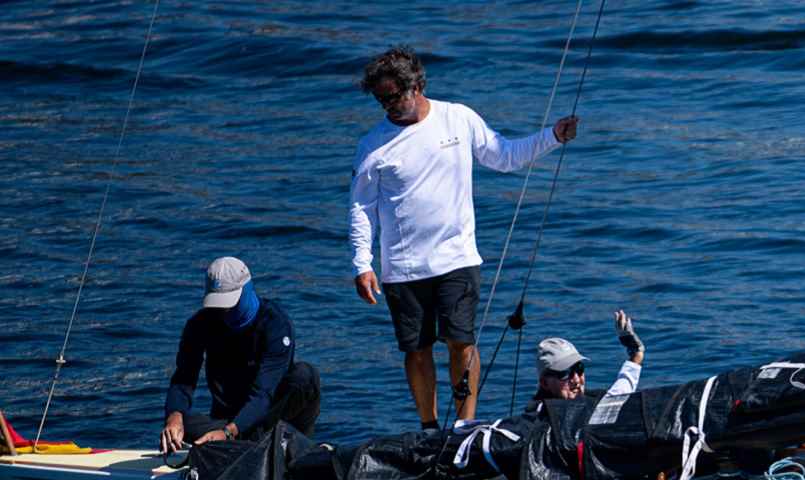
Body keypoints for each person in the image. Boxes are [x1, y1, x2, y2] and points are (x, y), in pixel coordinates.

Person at [349, 46, 580, 430]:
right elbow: (361, 209)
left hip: (457, 258)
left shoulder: (458, 118)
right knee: (417, 350)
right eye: (381, 99)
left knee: (462, 342)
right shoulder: (372, 145)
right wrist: (362, 263)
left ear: (418, 85)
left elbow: (505, 155)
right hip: (402, 267)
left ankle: (465, 428)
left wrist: (552, 136)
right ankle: (428, 428)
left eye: (394, 96)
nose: (388, 106)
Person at [160, 257, 321, 454]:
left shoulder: (276, 325)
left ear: (246, 290)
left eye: (229, 303)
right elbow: (184, 377)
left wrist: (229, 433)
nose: (224, 311)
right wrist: (174, 416)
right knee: (182, 422)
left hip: (270, 416)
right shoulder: (200, 324)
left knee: (305, 375)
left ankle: (288, 446)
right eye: (218, 304)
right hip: (226, 420)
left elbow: (263, 394)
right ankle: (238, 444)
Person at [531, 310, 644, 408]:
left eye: (579, 369)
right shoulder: (536, 422)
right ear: (545, 383)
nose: (576, 380)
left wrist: (636, 352)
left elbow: (619, 394)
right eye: (565, 374)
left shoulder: (593, 405)